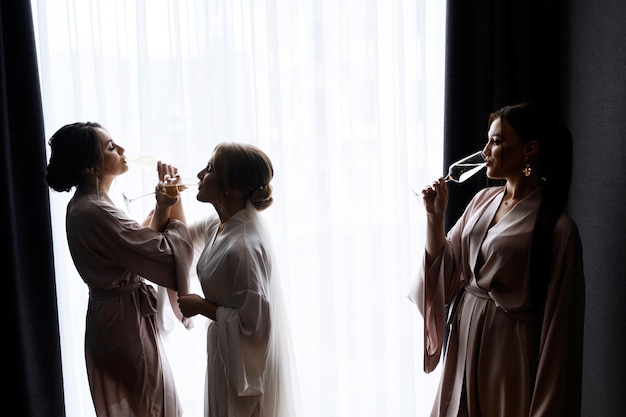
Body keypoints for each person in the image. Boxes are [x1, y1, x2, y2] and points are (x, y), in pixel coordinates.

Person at [408, 103, 585, 416]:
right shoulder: (482, 200)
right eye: (487, 141)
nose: (485, 150)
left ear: (529, 149)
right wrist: (435, 219)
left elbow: (561, 330)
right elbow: (448, 276)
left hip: (509, 354)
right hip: (464, 341)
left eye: (497, 141)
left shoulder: (558, 230)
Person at [45, 122, 194, 417]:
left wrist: (164, 206)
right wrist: (173, 209)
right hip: (123, 324)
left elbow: (133, 250)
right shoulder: (94, 209)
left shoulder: (88, 205)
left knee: (149, 405)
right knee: (155, 407)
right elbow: (160, 255)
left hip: (113, 320)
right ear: (91, 167)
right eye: (111, 147)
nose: (123, 150)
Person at [177, 142, 298, 417]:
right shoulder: (219, 226)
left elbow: (254, 324)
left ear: (231, 187)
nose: (198, 175)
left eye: (209, 169)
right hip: (225, 355)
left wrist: (200, 307)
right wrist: (167, 203)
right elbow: (182, 237)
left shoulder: (243, 246)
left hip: (245, 372)